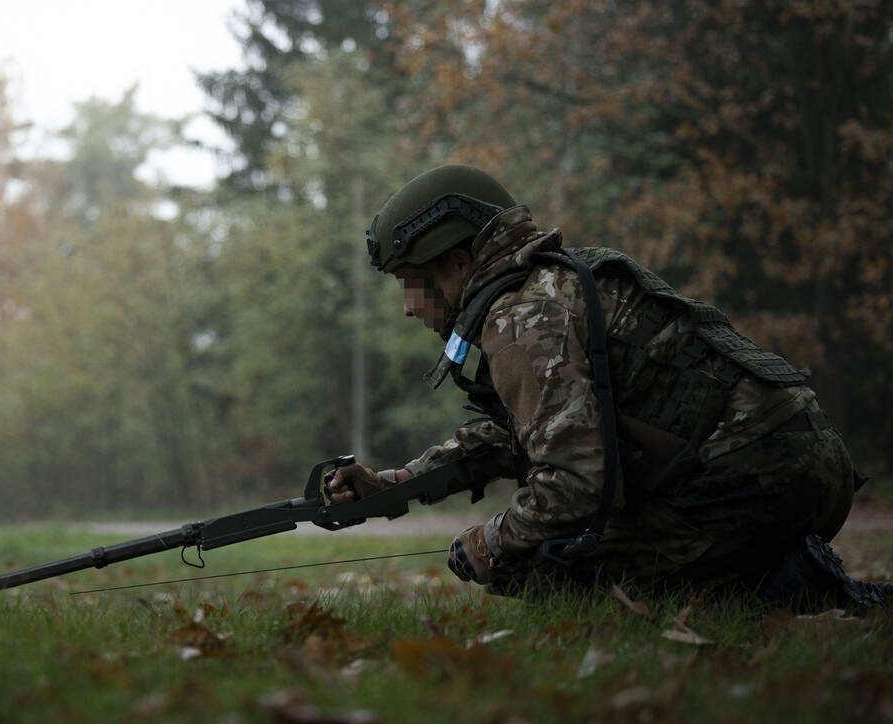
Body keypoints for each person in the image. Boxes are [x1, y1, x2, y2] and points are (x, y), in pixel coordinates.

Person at [326, 164, 886, 610]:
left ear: (456, 261)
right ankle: (764, 573)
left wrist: (488, 542)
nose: (408, 307)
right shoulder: (553, 283)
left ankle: (799, 589)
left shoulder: (522, 318)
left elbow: (572, 486)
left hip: (756, 484)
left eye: (412, 282)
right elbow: (522, 435)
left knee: (535, 567)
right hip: (797, 465)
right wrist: (396, 484)